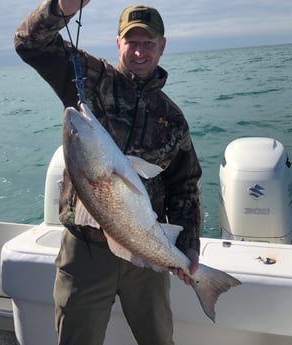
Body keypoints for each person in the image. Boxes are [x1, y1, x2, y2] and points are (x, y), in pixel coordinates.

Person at [14, 1, 202, 344]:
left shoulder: (172, 118)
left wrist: (187, 246)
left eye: (149, 43)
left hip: (146, 252)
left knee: (159, 339)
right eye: (132, 42)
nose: (140, 51)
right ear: (118, 44)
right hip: (85, 254)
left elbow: (185, 185)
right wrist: (61, 6)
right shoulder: (91, 78)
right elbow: (30, 43)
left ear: (162, 45)